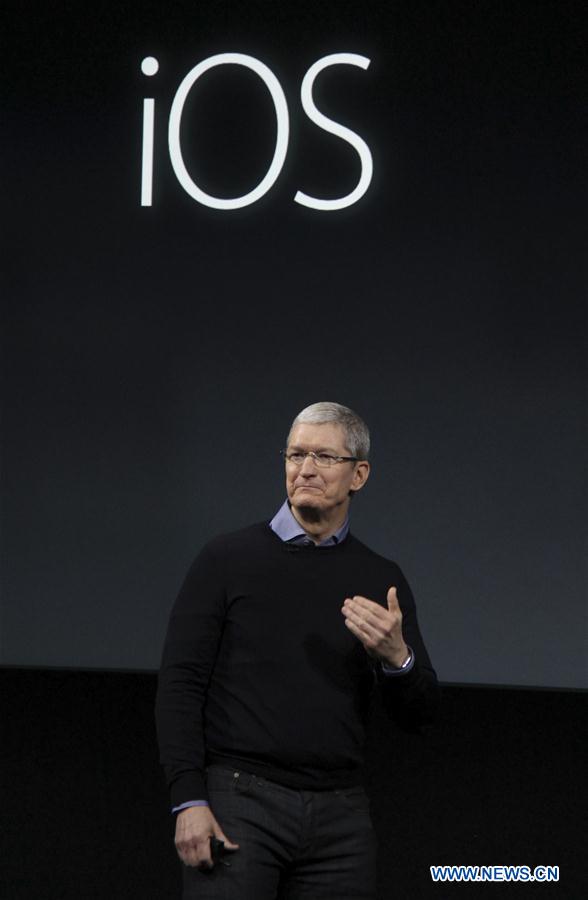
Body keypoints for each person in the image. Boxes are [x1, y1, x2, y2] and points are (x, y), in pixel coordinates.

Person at [155, 401, 439, 900]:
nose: (305, 469)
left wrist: (398, 659)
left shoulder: (381, 578)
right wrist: (188, 799)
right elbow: (180, 684)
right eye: (295, 454)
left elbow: (419, 715)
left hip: (340, 818)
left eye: (324, 457)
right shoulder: (226, 559)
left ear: (359, 474)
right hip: (238, 803)